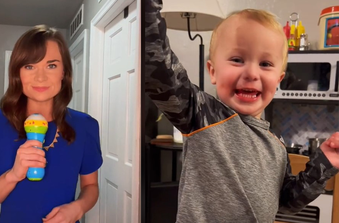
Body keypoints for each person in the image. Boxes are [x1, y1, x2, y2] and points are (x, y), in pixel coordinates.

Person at [145, 0, 339, 222]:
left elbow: (286, 202)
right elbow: (158, 68)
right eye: (237, 60)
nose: (252, 73)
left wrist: (324, 164)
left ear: (278, 81)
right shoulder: (201, 114)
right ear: (213, 71)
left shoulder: (276, 144)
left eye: (265, 64)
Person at [0, 25, 103, 223]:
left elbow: (90, 186)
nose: (40, 77)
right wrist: (13, 174)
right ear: (18, 73)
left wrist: (78, 207)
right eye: (29, 66)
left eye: (51, 65)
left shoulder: (85, 126)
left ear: (63, 72)